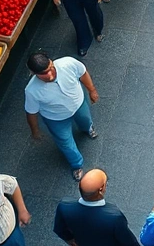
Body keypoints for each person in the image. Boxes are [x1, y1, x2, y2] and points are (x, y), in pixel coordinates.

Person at [54, 169, 143, 246]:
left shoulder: (65, 206)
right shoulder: (114, 217)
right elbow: (127, 240)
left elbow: (59, 228)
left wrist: (70, 240)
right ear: (101, 190)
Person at [24, 52, 99, 181]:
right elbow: (31, 112)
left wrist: (92, 90)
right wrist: (35, 130)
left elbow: (83, 73)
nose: (49, 75)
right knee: (65, 142)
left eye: (50, 69)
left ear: (52, 62)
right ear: (33, 73)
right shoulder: (31, 90)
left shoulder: (68, 63)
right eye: (42, 73)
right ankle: (77, 165)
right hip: (56, 119)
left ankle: (88, 129)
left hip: (79, 103)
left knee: (86, 120)